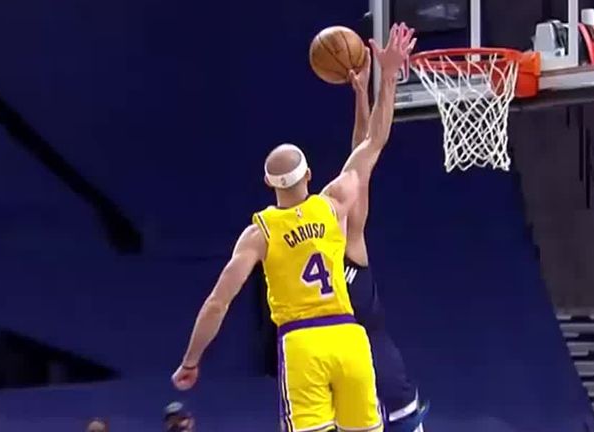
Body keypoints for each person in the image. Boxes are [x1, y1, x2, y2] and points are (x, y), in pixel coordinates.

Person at [170, 23, 415, 432]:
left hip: (303, 342)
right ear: (311, 174)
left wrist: (191, 360)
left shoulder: (260, 233)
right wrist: (386, 76)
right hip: (350, 339)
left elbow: (217, 302)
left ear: (268, 184)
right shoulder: (334, 204)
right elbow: (371, 145)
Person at [344, 30, 427, 432]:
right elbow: (367, 152)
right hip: (344, 370)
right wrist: (387, 78)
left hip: (374, 366)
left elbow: (363, 155)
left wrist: (365, 95)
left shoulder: (337, 232)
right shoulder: (326, 234)